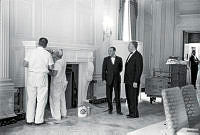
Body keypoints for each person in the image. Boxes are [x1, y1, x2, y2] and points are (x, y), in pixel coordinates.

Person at [24, 37, 54, 125]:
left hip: (31, 76)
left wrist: (34, 65)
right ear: (46, 45)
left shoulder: (31, 52)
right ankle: (38, 120)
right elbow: (51, 67)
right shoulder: (47, 54)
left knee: (31, 99)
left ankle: (29, 120)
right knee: (41, 99)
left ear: (38, 43)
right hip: (42, 76)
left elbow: (25, 64)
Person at [124, 41, 143, 119]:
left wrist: (135, 81)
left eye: (129, 45)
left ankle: (135, 114)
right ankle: (131, 112)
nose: (128, 47)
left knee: (133, 97)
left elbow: (139, 70)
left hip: (133, 81)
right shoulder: (130, 54)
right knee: (129, 97)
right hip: (128, 80)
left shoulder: (138, 56)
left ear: (134, 46)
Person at [102, 47, 123, 115]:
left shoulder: (119, 59)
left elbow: (120, 69)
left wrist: (115, 73)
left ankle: (118, 111)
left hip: (117, 79)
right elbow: (103, 70)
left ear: (114, 51)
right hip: (108, 80)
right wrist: (104, 79)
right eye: (108, 51)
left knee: (117, 95)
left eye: (110, 51)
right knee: (108, 95)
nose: (109, 52)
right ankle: (110, 109)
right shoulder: (106, 59)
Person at [49, 49, 68, 121]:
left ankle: (57, 116)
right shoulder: (63, 61)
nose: (52, 55)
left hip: (57, 83)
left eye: (54, 54)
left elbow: (54, 74)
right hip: (63, 82)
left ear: (56, 55)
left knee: (55, 99)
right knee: (62, 98)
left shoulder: (57, 63)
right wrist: (52, 53)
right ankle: (64, 114)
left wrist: (47, 71)